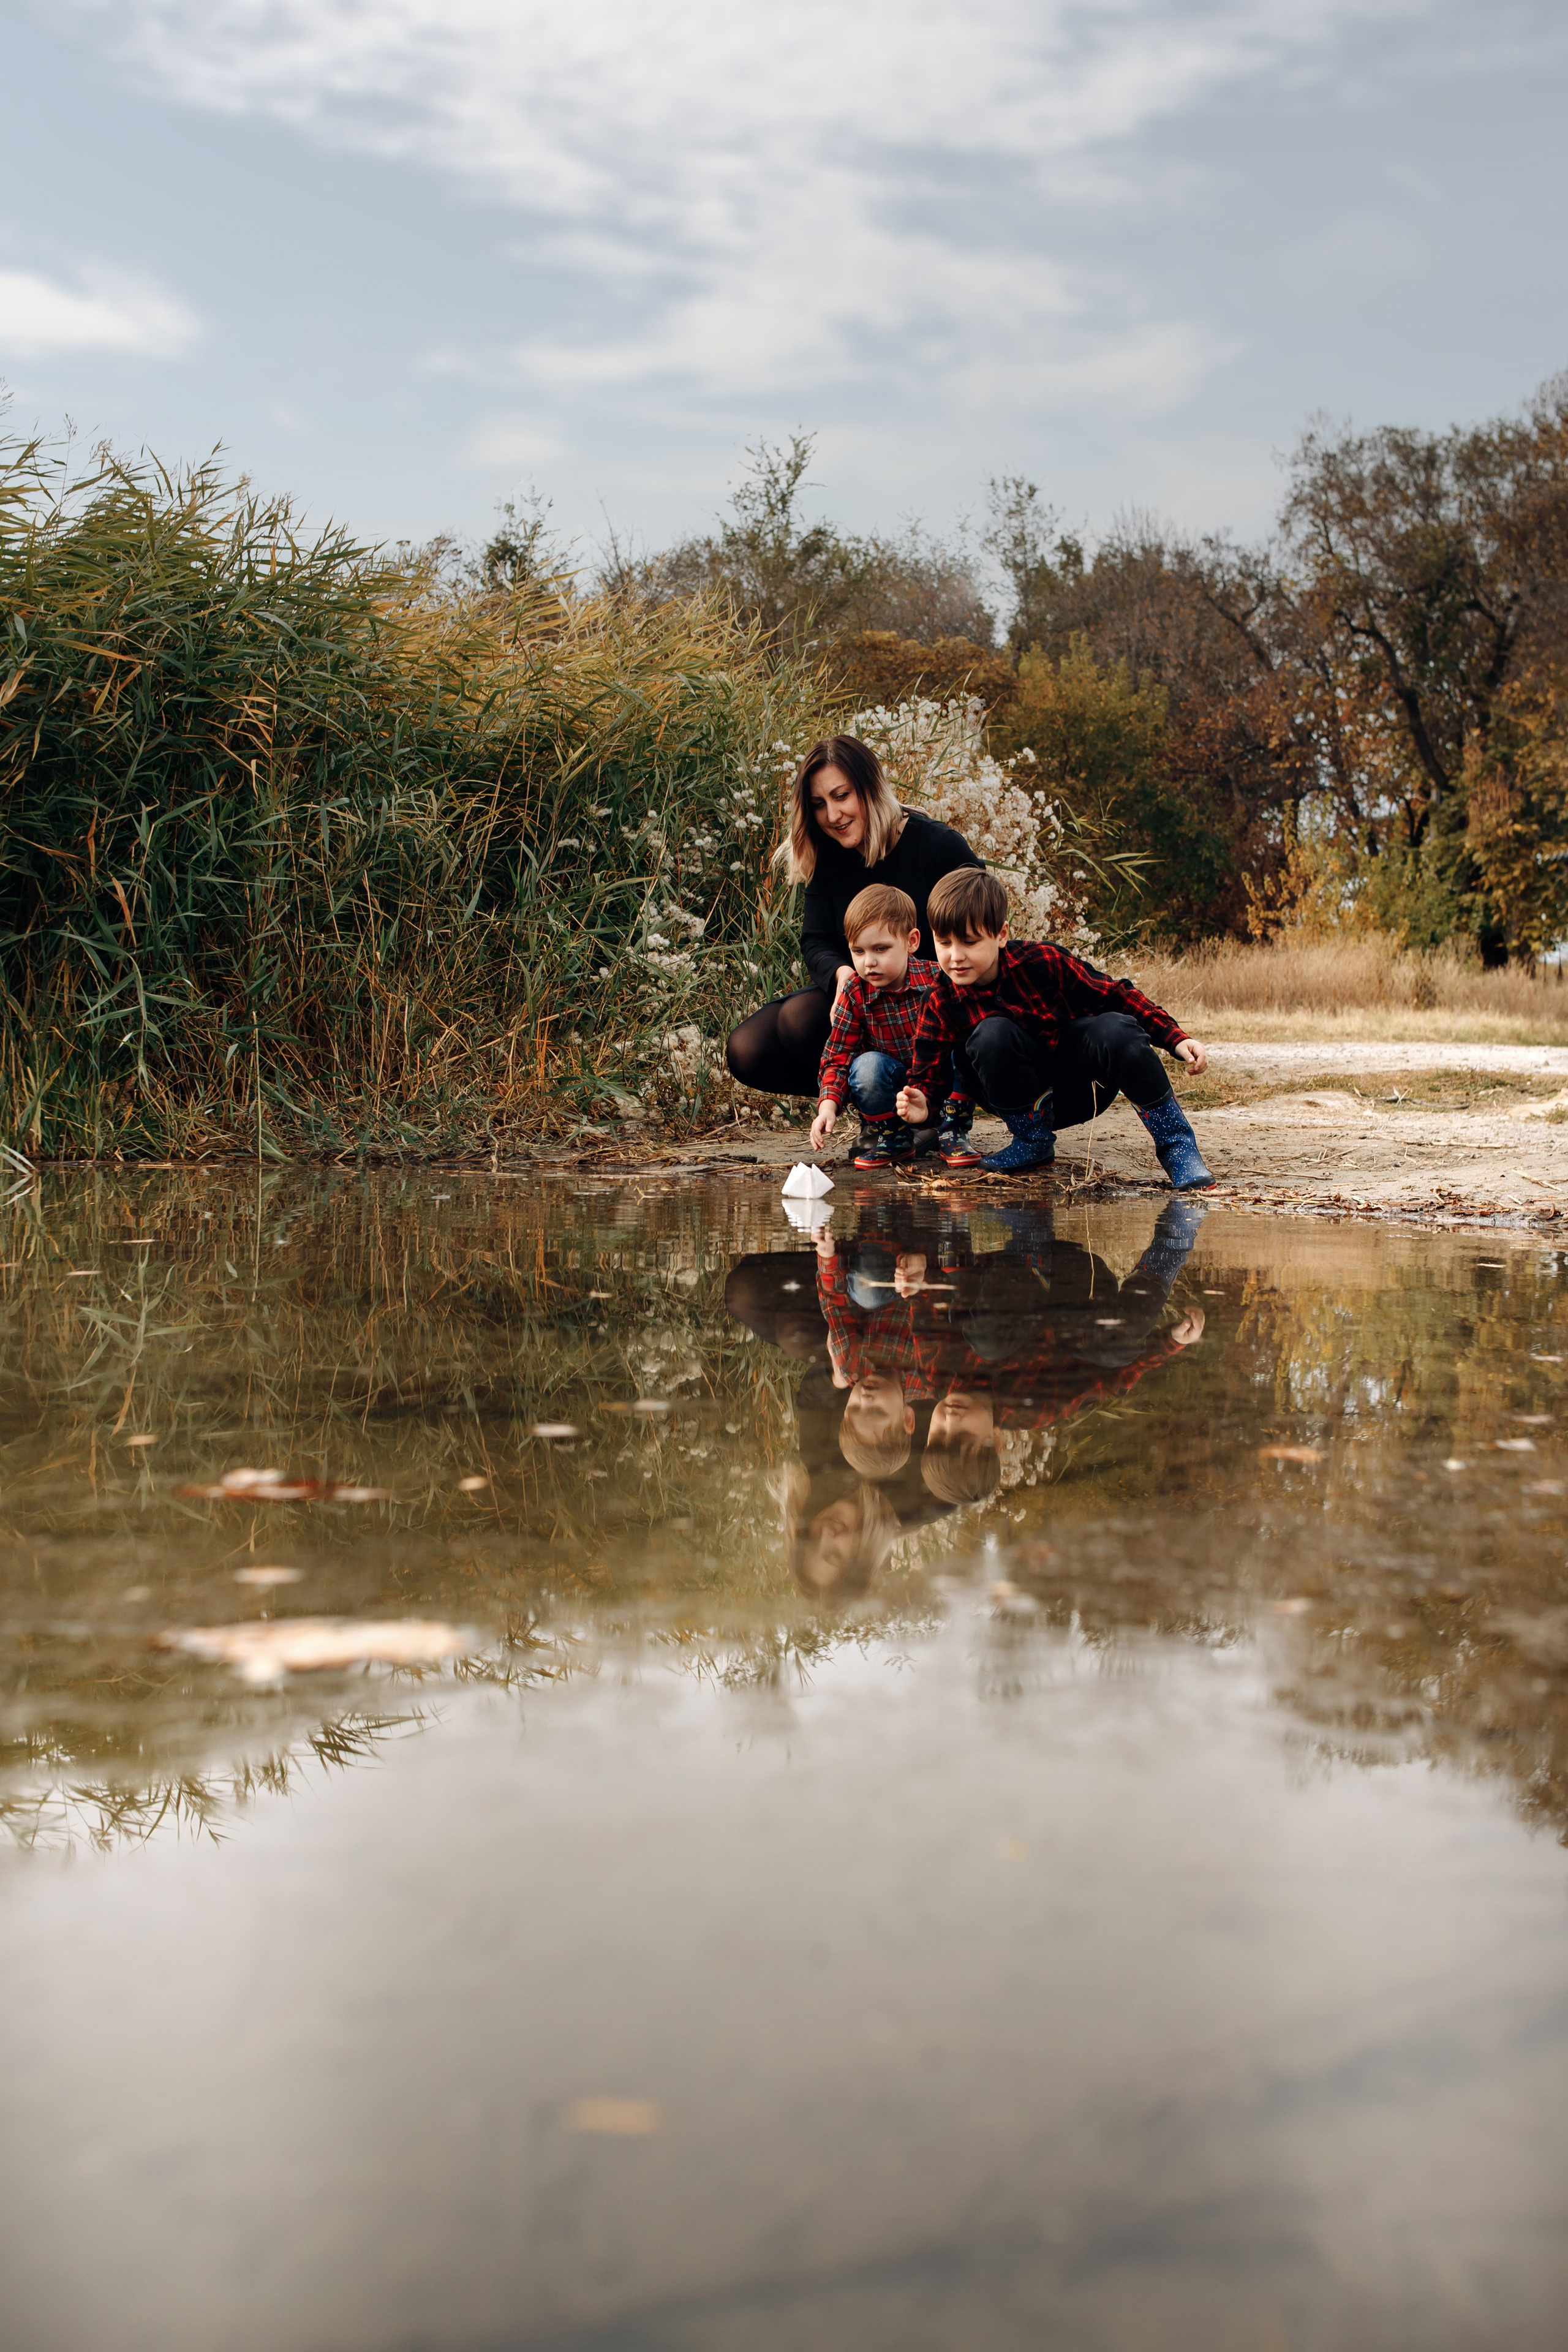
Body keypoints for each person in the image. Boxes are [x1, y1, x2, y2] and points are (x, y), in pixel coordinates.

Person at [894, 869, 1215, 1188]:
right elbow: (928, 1073)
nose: (955, 956)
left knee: (1117, 1029)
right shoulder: (939, 999)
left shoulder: (1043, 961)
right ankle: (1032, 1143)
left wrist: (1175, 1038)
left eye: (969, 942)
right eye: (944, 942)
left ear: (1001, 935)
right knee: (992, 1033)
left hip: (1080, 1090)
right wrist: (923, 1103)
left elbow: (1116, 995)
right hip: (1015, 1101)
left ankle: (1177, 1146)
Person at [725, 735, 982, 1102]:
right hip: (867, 996)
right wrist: (842, 976)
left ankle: (934, 1102)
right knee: (751, 1046)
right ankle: (873, 1103)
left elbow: (983, 923)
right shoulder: (827, 856)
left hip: (937, 1002)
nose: (832, 816)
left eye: (841, 796)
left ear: (870, 787)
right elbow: (816, 941)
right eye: (819, 804)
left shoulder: (939, 846)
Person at [807, 883, 978, 1170]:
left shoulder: (938, 980)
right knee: (865, 1066)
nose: (869, 963)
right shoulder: (854, 991)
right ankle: (893, 1138)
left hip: (938, 1088)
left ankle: (952, 1129)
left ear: (911, 942)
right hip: (894, 1092)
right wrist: (827, 1107)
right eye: (858, 951)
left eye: (881, 949)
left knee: (962, 1042)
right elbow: (838, 1055)